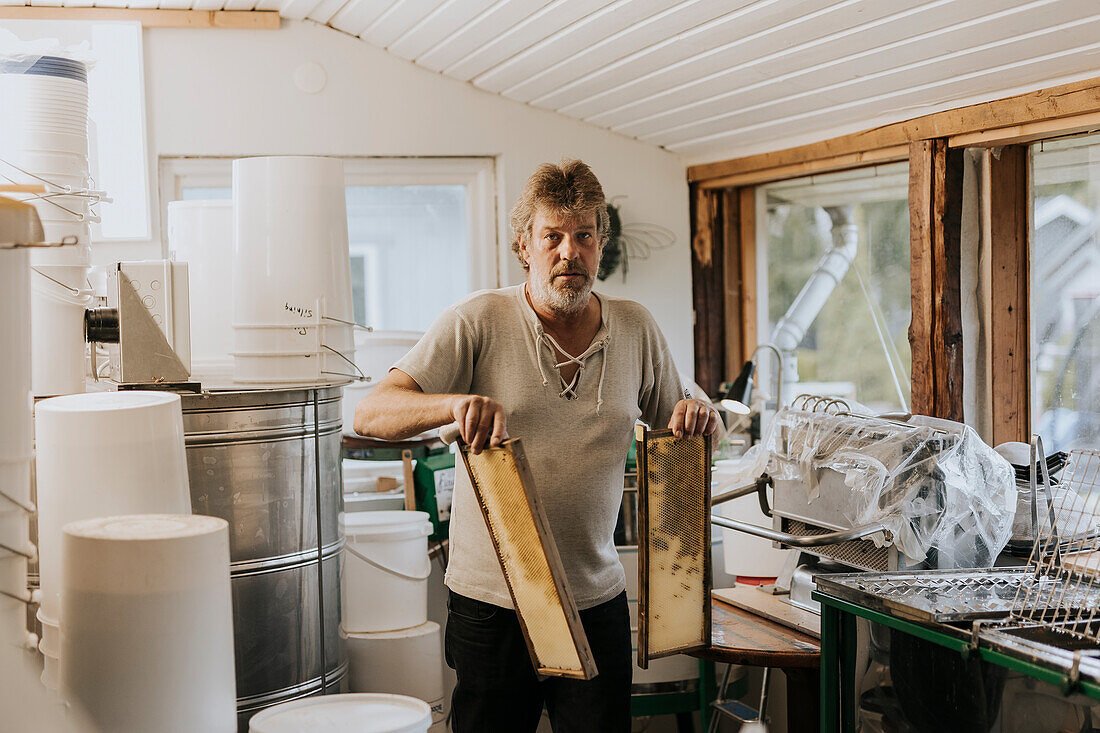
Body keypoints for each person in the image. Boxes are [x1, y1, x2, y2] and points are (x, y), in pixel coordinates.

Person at [354, 159, 718, 732]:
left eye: (584, 236)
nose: (569, 252)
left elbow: (691, 424)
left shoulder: (636, 327)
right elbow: (371, 412)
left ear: (600, 245)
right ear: (524, 245)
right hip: (492, 605)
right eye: (552, 236)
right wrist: (452, 405)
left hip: (595, 602)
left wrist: (700, 414)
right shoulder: (476, 320)